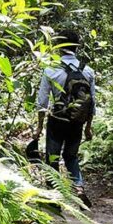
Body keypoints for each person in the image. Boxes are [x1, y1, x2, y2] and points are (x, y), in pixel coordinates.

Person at [35, 28, 96, 198]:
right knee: (71, 156)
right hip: (78, 120)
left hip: (57, 120)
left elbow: (42, 103)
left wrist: (39, 127)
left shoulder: (51, 70)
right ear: (77, 46)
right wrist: (88, 127)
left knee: (52, 157)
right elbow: (92, 102)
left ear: (58, 45)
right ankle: (78, 187)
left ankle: (54, 195)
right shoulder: (88, 71)